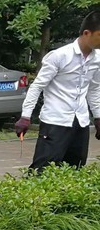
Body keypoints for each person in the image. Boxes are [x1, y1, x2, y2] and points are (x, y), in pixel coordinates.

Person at [15, 9, 100, 172]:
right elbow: (37, 86)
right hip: (55, 122)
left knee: (75, 170)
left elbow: (94, 89)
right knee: (43, 171)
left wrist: (98, 117)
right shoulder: (60, 56)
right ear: (87, 33)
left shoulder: (97, 59)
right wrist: (25, 117)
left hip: (81, 123)